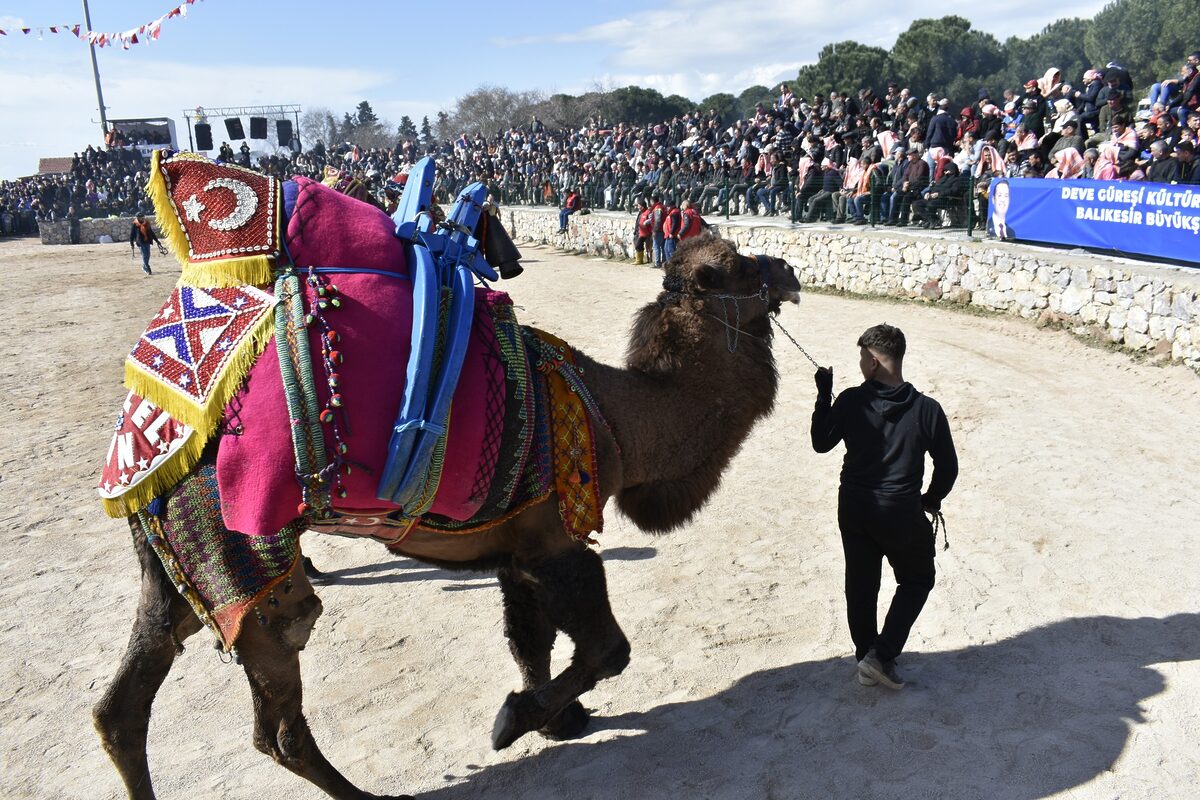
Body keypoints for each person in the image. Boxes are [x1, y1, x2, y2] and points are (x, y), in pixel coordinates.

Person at [811, 324, 958, 690]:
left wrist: (823, 396)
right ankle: (881, 655)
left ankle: (867, 657)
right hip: (900, 511)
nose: (860, 364)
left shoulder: (850, 400)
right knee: (917, 579)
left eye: (862, 358)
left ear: (874, 362)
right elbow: (948, 467)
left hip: (855, 507)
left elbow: (820, 442)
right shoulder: (927, 410)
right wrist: (930, 500)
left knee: (860, 585)